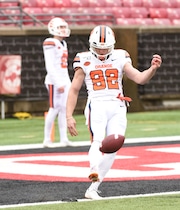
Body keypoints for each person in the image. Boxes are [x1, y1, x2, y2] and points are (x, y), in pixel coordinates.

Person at [66, 25, 162, 199]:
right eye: (97, 48)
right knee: (97, 140)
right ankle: (94, 169)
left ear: (113, 45)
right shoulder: (84, 58)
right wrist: (68, 115)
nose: (101, 53)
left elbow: (139, 78)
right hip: (97, 104)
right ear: (90, 45)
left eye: (105, 48)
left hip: (118, 105)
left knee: (114, 145)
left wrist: (152, 69)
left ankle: (93, 188)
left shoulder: (120, 55)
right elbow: (74, 89)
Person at [43, 17, 73, 148]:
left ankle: (63, 138)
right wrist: (57, 82)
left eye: (63, 27)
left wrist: (67, 82)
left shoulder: (63, 43)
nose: (63, 30)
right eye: (60, 27)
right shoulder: (50, 42)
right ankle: (47, 139)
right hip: (54, 81)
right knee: (54, 109)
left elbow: (63, 66)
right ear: (53, 28)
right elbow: (50, 66)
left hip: (63, 79)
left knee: (64, 109)